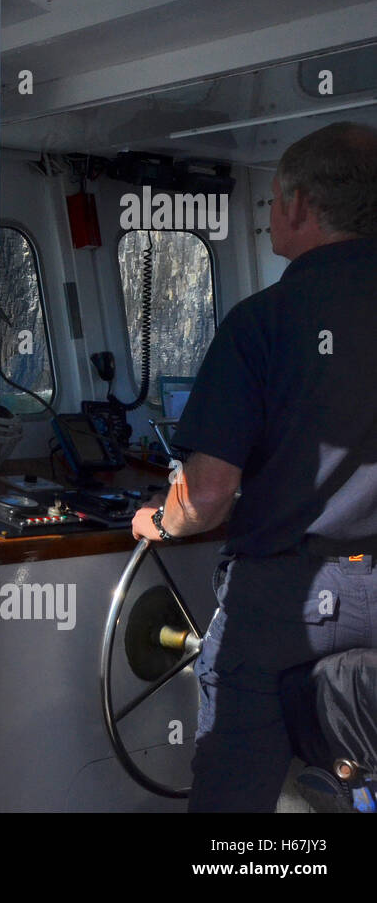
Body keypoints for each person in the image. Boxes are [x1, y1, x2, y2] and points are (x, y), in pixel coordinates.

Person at [130, 121, 377, 812]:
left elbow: (206, 496)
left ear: (300, 205)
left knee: (234, 802)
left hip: (283, 599)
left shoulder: (262, 321)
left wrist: (160, 518)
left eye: (271, 202)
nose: (270, 217)